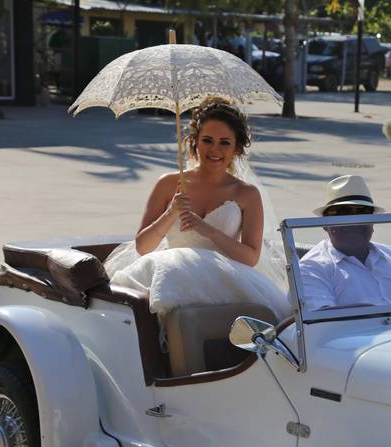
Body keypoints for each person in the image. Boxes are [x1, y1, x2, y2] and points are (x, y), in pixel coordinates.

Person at [104, 98, 289, 318]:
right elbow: (143, 247)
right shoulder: (169, 184)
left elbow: (250, 257)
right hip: (172, 273)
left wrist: (207, 229)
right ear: (195, 142)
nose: (214, 150)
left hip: (225, 279)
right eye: (207, 140)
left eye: (224, 142)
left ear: (237, 148)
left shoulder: (246, 194)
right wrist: (171, 212)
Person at [300, 175, 391, 310]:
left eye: (362, 212)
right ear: (325, 223)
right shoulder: (311, 268)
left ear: (372, 221)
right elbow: (324, 323)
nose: (353, 221)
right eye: (342, 213)